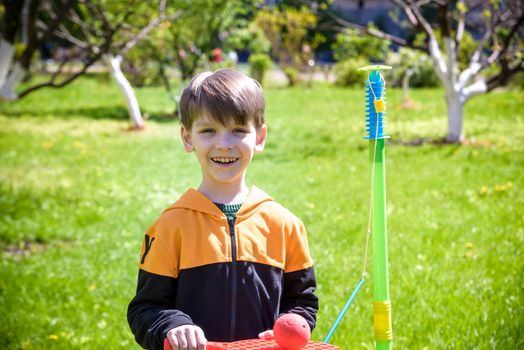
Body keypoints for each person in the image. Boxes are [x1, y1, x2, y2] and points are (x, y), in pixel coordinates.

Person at [127, 69, 318, 350]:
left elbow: (302, 302)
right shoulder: (171, 226)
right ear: (187, 137)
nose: (224, 144)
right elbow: (145, 309)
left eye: (238, 130)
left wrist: (290, 323)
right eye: (208, 131)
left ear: (260, 137)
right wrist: (174, 326)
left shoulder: (285, 225)